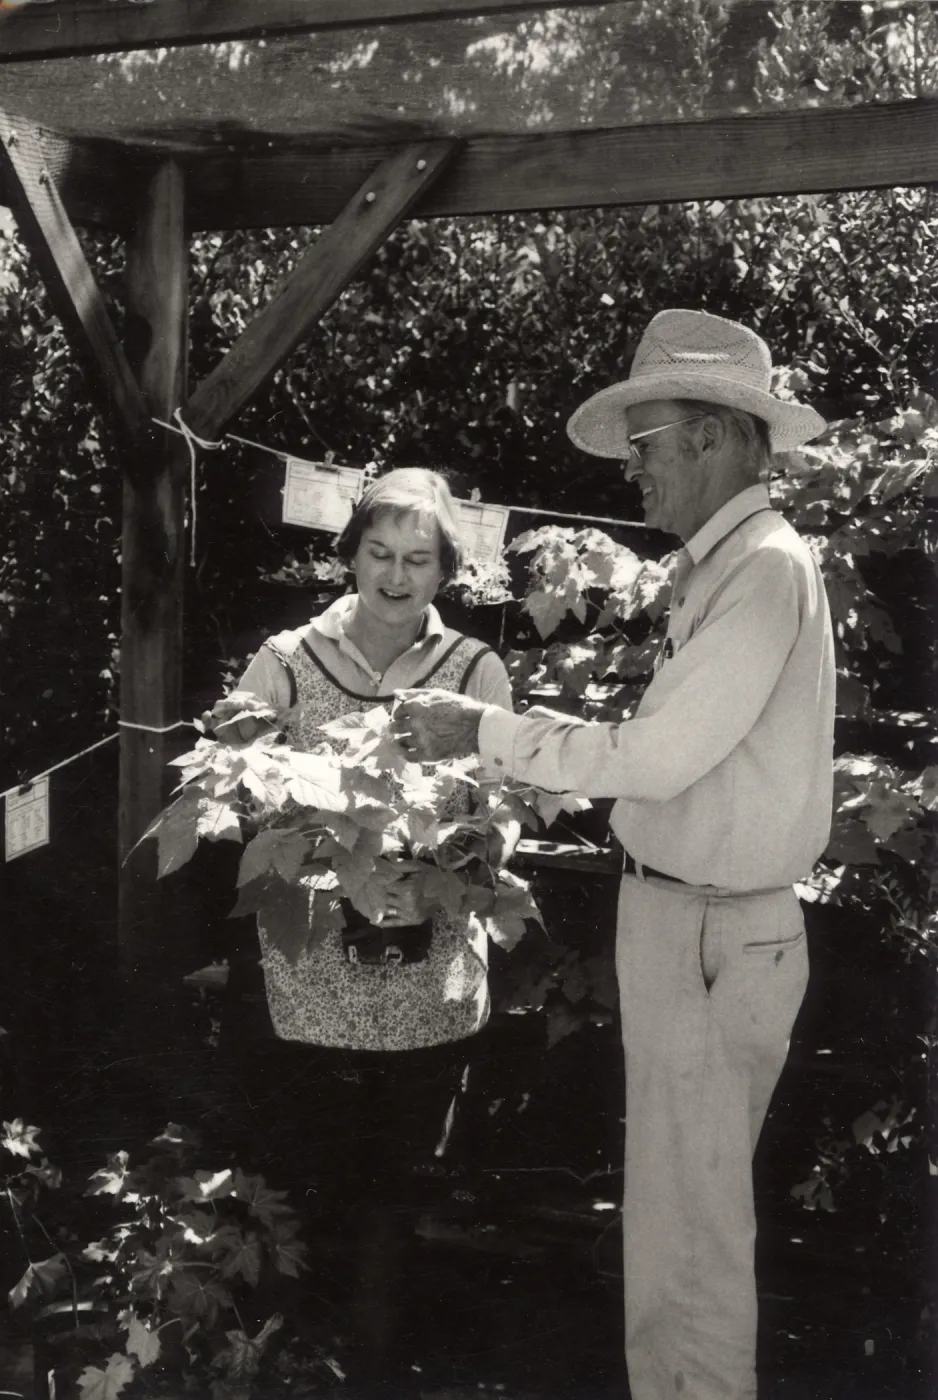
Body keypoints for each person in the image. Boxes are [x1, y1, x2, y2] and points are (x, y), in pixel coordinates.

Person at [393, 310, 836, 1400]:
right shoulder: (722, 568)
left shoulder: (762, 571)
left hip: (710, 926)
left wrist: (484, 731)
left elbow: (660, 755)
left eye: (644, 447)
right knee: (677, 1216)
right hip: (692, 921)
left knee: (691, 1231)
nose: (632, 474)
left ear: (717, 437)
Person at [214, 467, 516, 1395]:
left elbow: (507, 808)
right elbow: (229, 776)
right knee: (311, 1171)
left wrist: (452, 868)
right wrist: (278, 808)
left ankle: (376, 1369)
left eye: (418, 559)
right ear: (347, 556)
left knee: (397, 1185)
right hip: (312, 969)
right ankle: (297, 1362)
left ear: (445, 571)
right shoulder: (289, 658)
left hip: (427, 967)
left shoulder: (473, 671)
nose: (395, 575)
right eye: (378, 554)